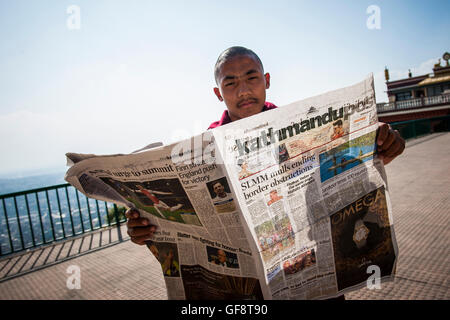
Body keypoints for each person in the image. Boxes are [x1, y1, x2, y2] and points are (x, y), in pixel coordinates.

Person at [125, 46, 405, 298]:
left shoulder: (304, 128)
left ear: (267, 80)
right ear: (218, 93)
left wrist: (386, 143)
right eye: (230, 83)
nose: (243, 90)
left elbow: (351, 163)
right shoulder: (206, 148)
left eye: (251, 78)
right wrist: (143, 227)